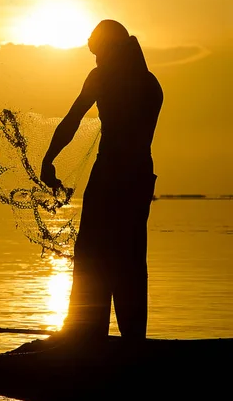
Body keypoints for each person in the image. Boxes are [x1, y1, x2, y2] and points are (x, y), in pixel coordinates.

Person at [40, 19, 163, 341]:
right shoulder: (149, 82)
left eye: (97, 50)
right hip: (138, 176)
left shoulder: (107, 78)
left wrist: (48, 159)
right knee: (130, 256)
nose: (94, 57)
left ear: (109, 47)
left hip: (113, 174)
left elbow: (71, 121)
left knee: (96, 253)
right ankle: (130, 339)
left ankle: (87, 336)